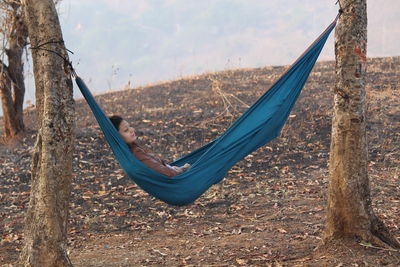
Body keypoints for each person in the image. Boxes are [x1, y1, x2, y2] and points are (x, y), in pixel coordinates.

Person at [109, 115, 191, 177]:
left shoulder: (130, 152)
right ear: (117, 137)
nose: (132, 130)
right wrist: (183, 169)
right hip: (176, 182)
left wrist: (175, 168)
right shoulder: (137, 154)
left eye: (129, 126)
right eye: (126, 130)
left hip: (173, 172)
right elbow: (168, 173)